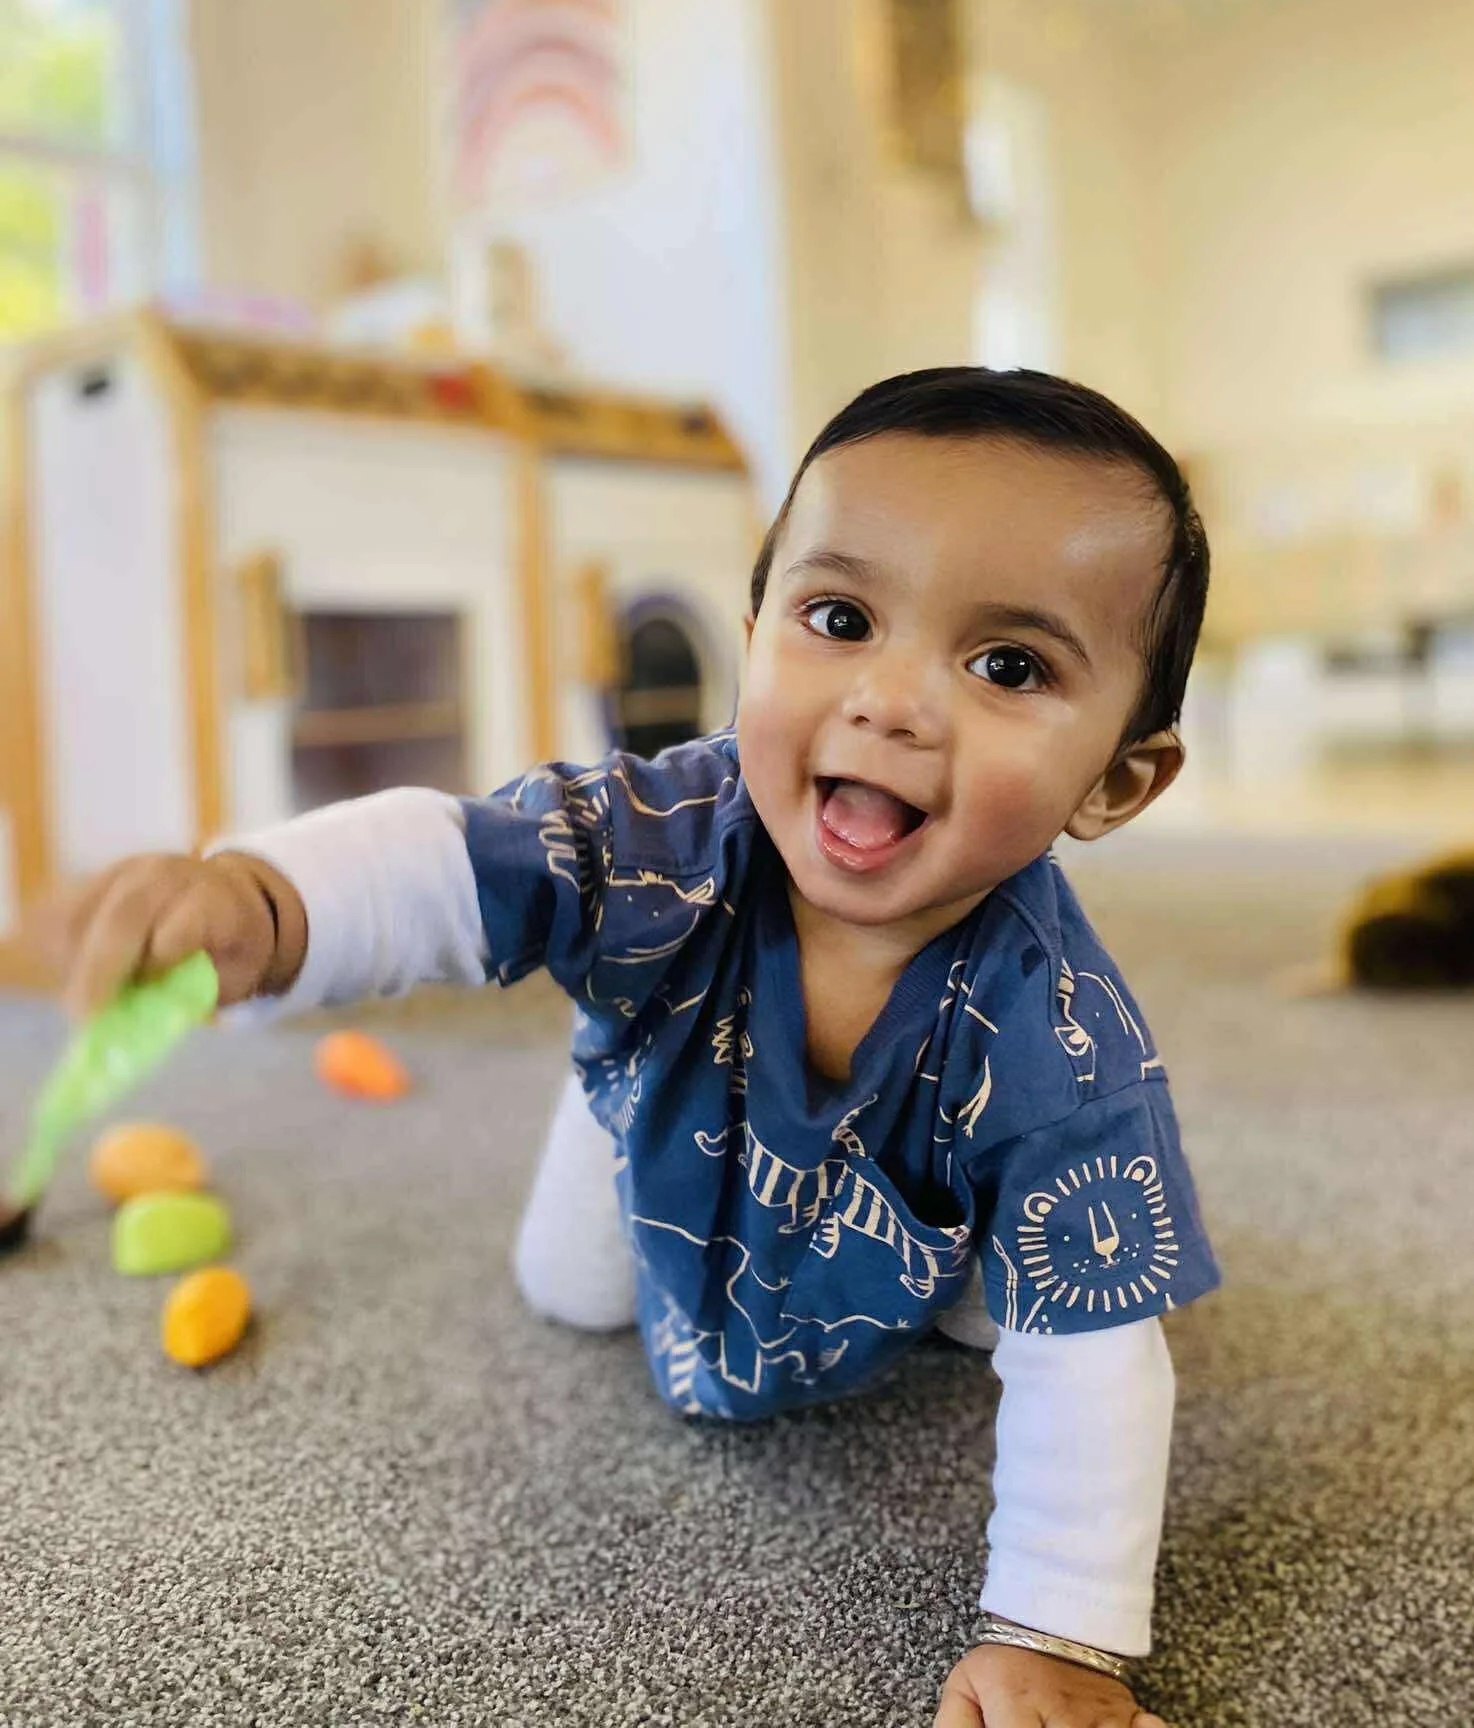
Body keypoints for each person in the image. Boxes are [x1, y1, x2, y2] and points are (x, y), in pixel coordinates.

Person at [46, 367, 1220, 1728]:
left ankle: (965, 1246)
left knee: (1009, 1304)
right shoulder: (658, 834)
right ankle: (620, 1079)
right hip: (674, 1097)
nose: (892, 701)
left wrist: (1061, 1638)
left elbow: (1100, 1342)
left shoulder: (1063, 1038)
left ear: (1118, 779)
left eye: (1006, 665)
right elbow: (452, 860)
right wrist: (265, 898)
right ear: (754, 634)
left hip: (916, 1196)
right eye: (838, 619)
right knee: (569, 1287)